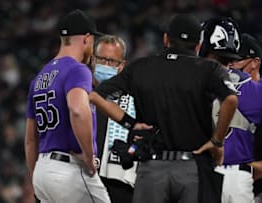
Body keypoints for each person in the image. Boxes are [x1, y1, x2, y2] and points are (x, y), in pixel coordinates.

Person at [90, 14, 238, 203]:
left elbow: (95, 96)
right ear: (198, 45)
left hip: (152, 167)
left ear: (166, 39)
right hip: (192, 166)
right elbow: (231, 100)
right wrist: (217, 141)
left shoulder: (141, 66)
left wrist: (131, 123)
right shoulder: (208, 69)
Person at [24, 9, 111, 203]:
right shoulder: (77, 69)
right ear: (87, 39)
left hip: (42, 172)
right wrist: (89, 158)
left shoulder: (39, 78)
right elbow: (78, 110)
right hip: (69, 169)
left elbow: (31, 140)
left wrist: (36, 178)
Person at [199, 17, 262, 203]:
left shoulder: (194, 83)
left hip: (260, 184)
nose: (234, 65)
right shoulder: (258, 91)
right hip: (239, 179)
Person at [230, 33, 262, 203]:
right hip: (225, 182)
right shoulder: (219, 92)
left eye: (236, 59)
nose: (230, 64)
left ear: (255, 62)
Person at [91, 35, 135, 203]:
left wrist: (131, 151)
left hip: (119, 184)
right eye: (102, 59)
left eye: (112, 62)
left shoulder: (133, 100)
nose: (106, 65)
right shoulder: (79, 94)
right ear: (93, 60)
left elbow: (144, 138)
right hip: (83, 180)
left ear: (121, 66)